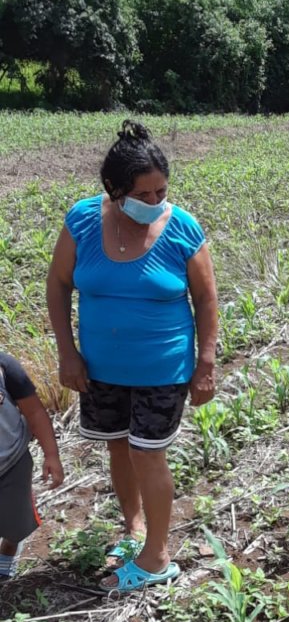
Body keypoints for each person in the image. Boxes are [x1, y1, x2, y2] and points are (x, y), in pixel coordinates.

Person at [47, 120, 218, 593]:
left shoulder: (182, 228)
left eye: (161, 191)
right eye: (143, 194)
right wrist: (68, 352)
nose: (155, 202)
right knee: (119, 445)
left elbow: (206, 299)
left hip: (162, 367)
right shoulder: (82, 220)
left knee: (148, 453)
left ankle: (157, 557)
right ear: (114, 190)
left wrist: (206, 364)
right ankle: (135, 527)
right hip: (101, 367)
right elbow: (58, 285)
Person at [0, 351, 65, 581]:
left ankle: (9, 547)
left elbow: (35, 412)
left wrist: (52, 455)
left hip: (11, 461)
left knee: (16, 522)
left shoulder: (5, 368)